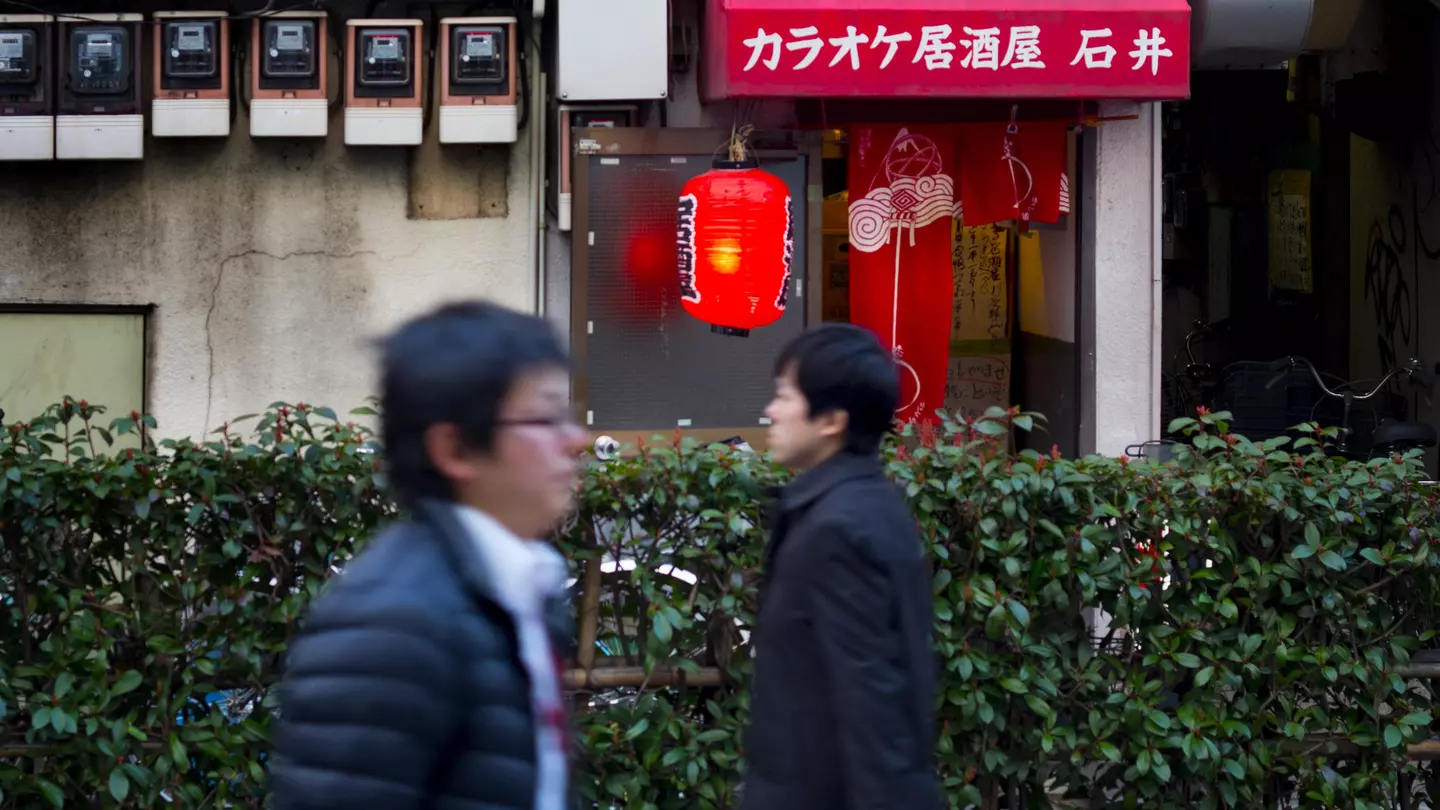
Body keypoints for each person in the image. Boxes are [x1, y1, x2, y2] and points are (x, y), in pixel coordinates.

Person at [268, 300, 589, 810]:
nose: (577, 440)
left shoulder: (515, 591)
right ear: (455, 449)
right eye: (547, 417)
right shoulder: (396, 620)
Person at [743, 323, 942, 810]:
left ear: (831, 419)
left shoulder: (838, 529)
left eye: (785, 397)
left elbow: (872, 703)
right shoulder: (865, 504)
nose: (770, 411)